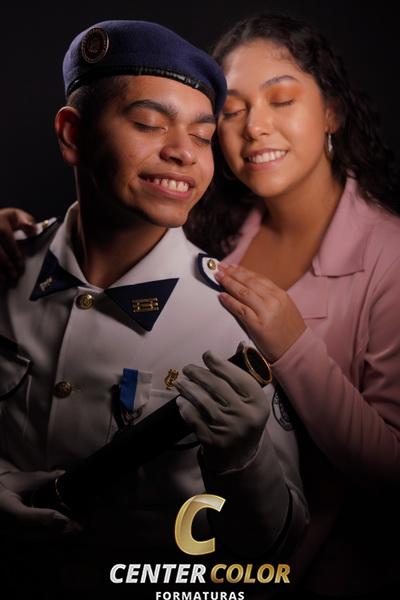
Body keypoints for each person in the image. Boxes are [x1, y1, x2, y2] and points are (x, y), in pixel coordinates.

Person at [0, 19, 308, 595]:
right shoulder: (7, 265)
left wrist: (244, 461)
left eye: (203, 136)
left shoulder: (231, 318)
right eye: (148, 124)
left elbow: (274, 549)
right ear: (73, 134)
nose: (182, 152)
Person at [183, 13, 400, 600]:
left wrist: (294, 345)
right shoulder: (216, 237)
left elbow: (391, 472)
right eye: (232, 112)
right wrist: (26, 240)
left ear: (332, 112)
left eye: (281, 100)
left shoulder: (390, 257)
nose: (255, 127)